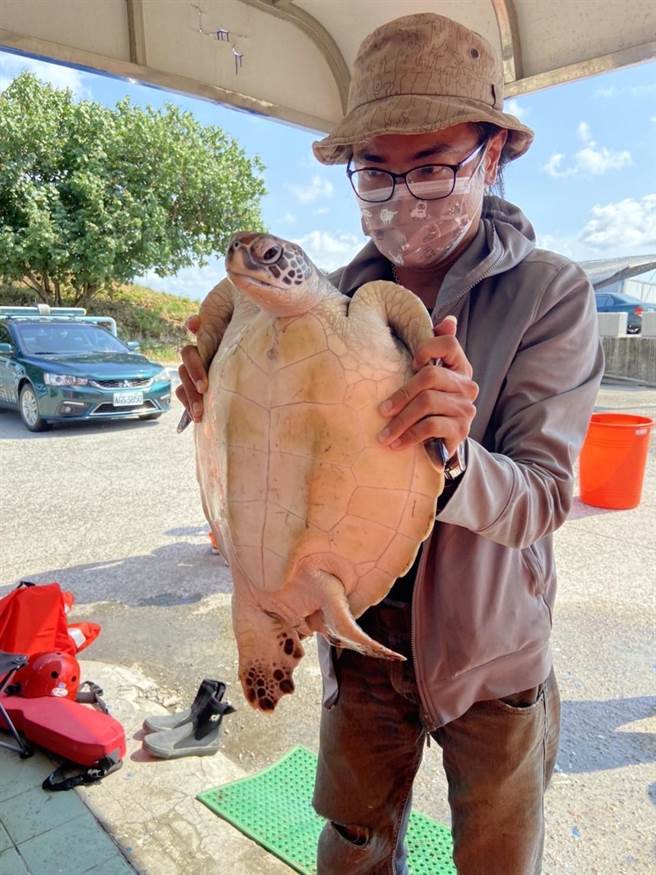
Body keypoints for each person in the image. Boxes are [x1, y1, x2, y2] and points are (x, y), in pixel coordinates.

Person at [177, 13, 604, 875]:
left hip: (492, 658)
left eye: (435, 167)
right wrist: (213, 384)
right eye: (377, 170)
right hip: (359, 632)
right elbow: (277, 457)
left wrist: (453, 454)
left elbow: (546, 497)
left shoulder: (550, 294)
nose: (402, 195)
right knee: (352, 844)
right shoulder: (332, 292)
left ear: (494, 156)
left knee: (496, 858)